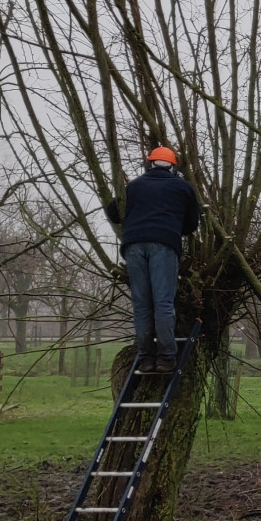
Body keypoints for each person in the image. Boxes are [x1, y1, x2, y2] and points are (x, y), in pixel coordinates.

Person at [103, 147, 200, 373]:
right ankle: (166, 358)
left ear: (149, 164)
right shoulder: (183, 188)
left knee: (142, 304)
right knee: (163, 302)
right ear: (173, 167)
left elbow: (113, 211)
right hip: (164, 245)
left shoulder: (134, 186)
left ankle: (145, 358)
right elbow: (191, 225)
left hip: (133, 246)